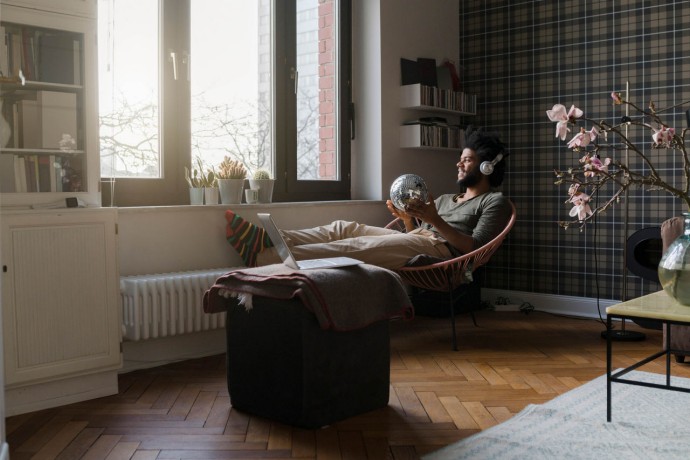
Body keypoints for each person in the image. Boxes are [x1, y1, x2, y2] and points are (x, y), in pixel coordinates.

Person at [225, 126, 513, 270]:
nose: (459, 164)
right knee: (344, 228)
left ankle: (264, 257)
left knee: (355, 245)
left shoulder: (494, 202)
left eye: (467, 160)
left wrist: (434, 219)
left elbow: (475, 248)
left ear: (487, 167)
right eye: (460, 159)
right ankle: (267, 239)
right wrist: (407, 221)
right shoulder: (449, 197)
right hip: (424, 241)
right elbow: (417, 235)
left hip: (443, 254)